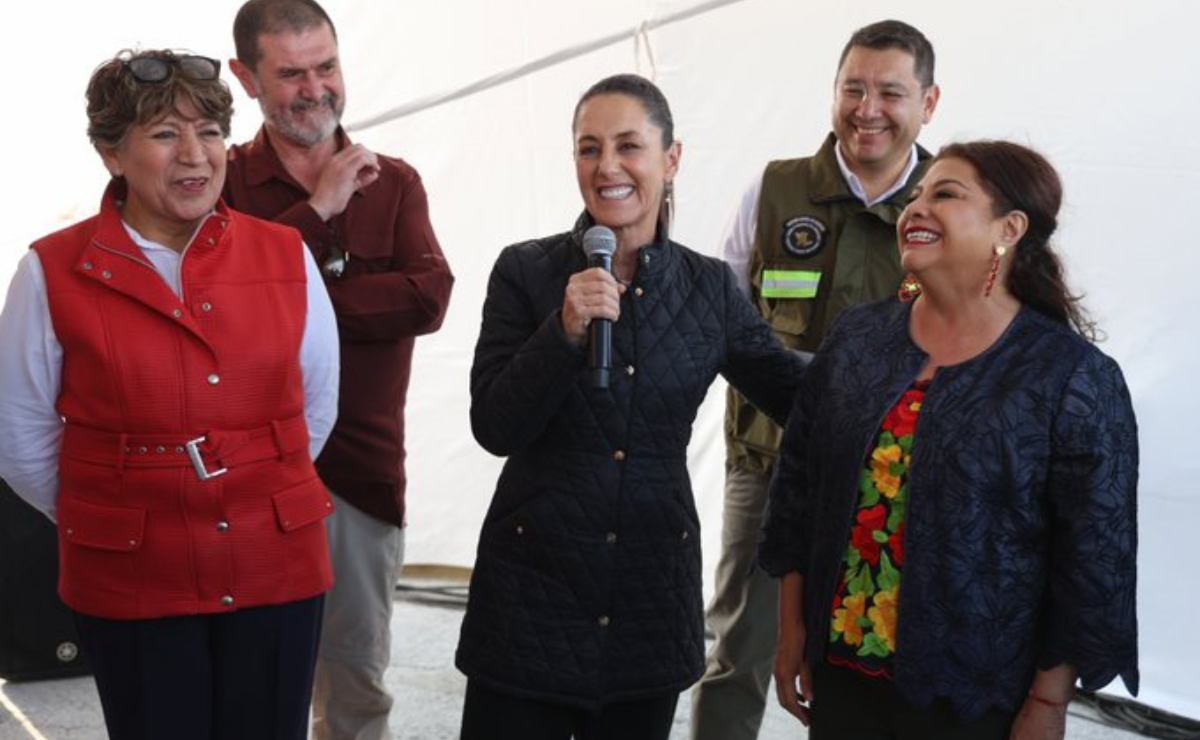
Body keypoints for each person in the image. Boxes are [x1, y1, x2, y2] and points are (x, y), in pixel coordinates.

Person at [0, 49, 340, 740]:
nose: (195, 154)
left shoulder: (285, 255)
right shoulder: (50, 270)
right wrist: (112, 507)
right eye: (164, 134)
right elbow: (20, 436)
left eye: (210, 132)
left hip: (275, 563)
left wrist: (251, 486)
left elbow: (316, 408)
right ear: (110, 154)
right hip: (131, 572)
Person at [455, 73, 805, 740]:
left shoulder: (708, 290)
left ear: (671, 159)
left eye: (628, 146)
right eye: (589, 149)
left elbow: (791, 389)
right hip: (531, 602)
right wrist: (560, 335)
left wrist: (901, 359)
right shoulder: (526, 272)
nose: (607, 167)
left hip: (649, 599)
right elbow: (494, 426)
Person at [759, 140, 1139, 739]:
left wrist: (1048, 703)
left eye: (946, 194)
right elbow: (798, 492)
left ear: (1008, 228)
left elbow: (1093, 558)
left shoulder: (1071, 377)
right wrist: (791, 631)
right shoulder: (859, 339)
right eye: (915, 196)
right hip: (843, 672)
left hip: (974, 694)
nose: (916, 208)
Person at [692, 19, 940, 740]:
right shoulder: (774, 189)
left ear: (928, 102)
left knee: (873, 653)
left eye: (890, 92)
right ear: (832, 93)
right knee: (738, 648)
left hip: (900, 476)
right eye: (853, 89)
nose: (868, 109)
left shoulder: (951, 200)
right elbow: (722, 316)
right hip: (770, 460)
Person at [222, 2, 455, 738]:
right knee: (249, 679)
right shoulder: (217, 183)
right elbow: (219, 307)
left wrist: (298, 298)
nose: (315, 88)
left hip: (360, 475)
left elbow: (429, 296)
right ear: (245, 78)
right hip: (243, 480)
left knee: (355, 681)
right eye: (290, 73)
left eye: (326, 66)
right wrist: (318, 215)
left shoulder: (395, 182)